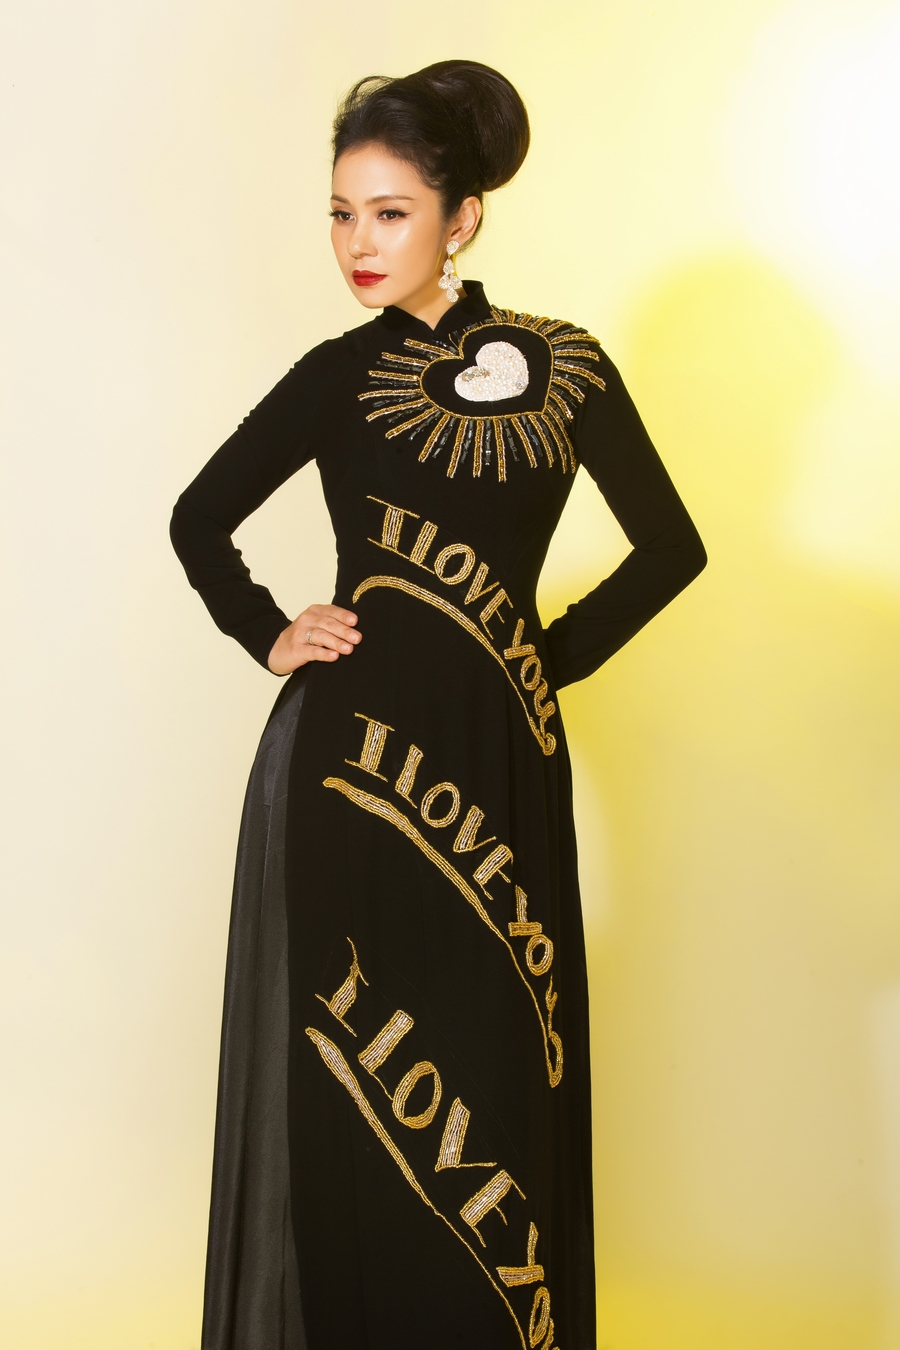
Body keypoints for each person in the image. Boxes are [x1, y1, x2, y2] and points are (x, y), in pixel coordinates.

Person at [170, 59, 706, 1350]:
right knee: (360, 1082)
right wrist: (271, 630)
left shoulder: (566, 368)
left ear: (462, 218)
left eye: (391, 212)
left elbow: (671, 549)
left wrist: (538, 660)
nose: (359, 243)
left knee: (499, 1076)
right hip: (349, 775)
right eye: (342, 213)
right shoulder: (335, 374)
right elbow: (199, 519)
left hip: (502, 768)